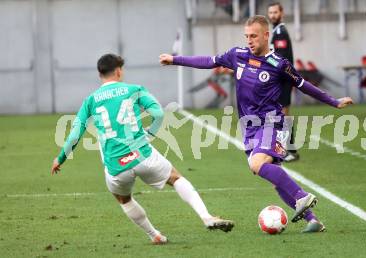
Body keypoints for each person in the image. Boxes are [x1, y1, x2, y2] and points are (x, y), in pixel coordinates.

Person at [159, 15, 353, 233]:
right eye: (247, 36)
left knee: (257, 164)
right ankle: (313, 220)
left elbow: (303, 85)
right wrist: (175, 59)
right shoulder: (237, 55)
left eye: (254, 36)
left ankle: (302, 197)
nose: (249, 40)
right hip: (249, 127)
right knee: (273, 176)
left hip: (272, 124)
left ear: (266, 35)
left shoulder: (279, 64)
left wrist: (333, 102)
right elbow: (208, 61)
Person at [50, 54, 234, 245]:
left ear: (99, 74)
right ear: (119, 71)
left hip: (116, 166)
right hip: (143, 155)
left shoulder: (90, 100)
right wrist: (151, 134)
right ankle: (206, 217)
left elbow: (74, 134)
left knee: (123, 199)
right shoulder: (134, 90)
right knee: (176, 178)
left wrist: (60, 158)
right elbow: (158, 113)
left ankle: (154, 235)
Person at [267, 2, 299, 162]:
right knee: (281, 114)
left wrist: (266, 64)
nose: (272, 15)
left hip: (283, 79)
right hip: (281, 79)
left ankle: (288, 150)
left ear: (282, 13)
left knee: (283, 115)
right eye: (270, 13)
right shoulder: (277, 31)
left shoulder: (280, 32)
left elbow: (279, 60)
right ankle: (287, 148)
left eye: (275, 12)